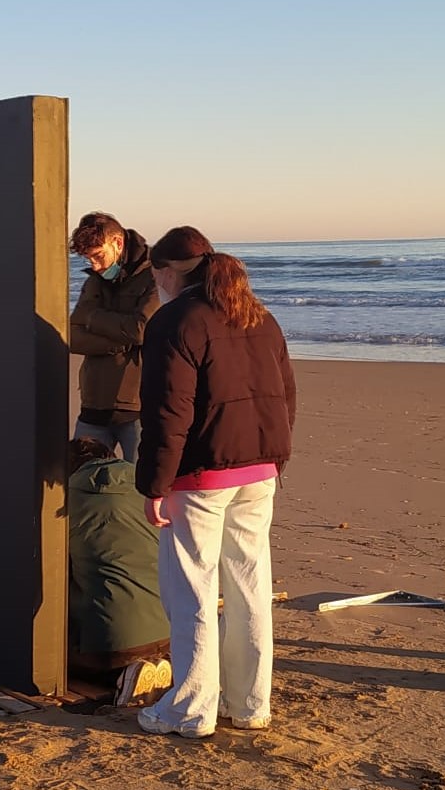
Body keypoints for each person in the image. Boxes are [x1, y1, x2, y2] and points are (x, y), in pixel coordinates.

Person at [134, 227, 295, 739]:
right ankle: (249, 704)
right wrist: (275, 461)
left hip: (202, 473)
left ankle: (190, 708)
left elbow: (167, 412)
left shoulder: (174, 320)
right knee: (250, 586)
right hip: (259, 467)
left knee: (192, 590)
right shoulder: (259, 315)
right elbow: (285, 396)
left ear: (167, 271)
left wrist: (154, 483)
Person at [66, 437, 171, 706]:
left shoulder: (64, 503)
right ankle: (161, 666)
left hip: (112, 641)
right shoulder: (151, 493)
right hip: (169, 629)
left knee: (55, 655)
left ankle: (120, 676)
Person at [68, 212, 159, 461]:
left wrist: (92, 318)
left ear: (117, 243)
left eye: (98, 256)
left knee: (139, 490)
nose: (95, 266)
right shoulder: (96, 280)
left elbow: (141, 329)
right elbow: (72, 336)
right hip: (93, 402)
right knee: (80, 483)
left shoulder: (155, 275)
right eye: (89, 259)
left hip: (137, 407)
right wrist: (117, 343)